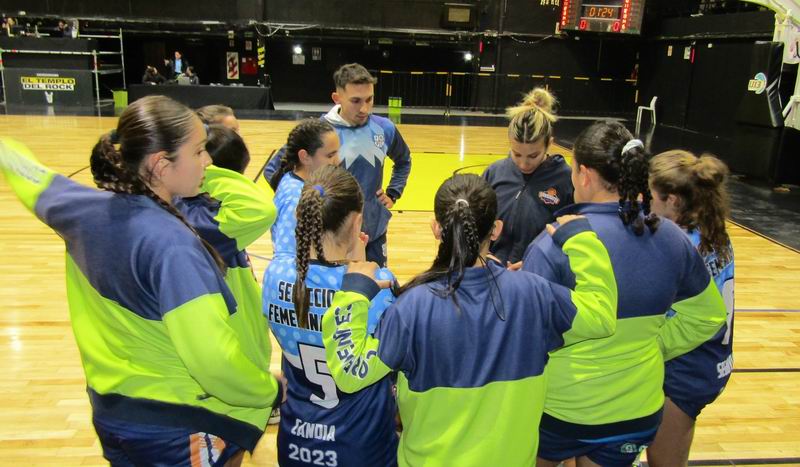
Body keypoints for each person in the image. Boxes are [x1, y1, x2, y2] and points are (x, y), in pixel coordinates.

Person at [0, 96, 283, 466]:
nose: (208, 161)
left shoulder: (75, 206)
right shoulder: (174, 245)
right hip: (177, 425)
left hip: (110, 414)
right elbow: (213, 361)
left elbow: (23, 169)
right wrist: (268, 390)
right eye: (199, 151)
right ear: (161, 163)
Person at [321, 173, 619, 466]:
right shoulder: (534, 294)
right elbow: (600, 316)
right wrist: (582, 242)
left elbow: (350, 373)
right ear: (496, 229)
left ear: (437, 228)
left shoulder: (411, 307)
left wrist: (353, 294)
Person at [522, 121, 728, 467]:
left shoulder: (557, 242)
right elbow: (709, 316)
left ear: (584, 174)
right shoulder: (672, 238)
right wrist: (653, 345)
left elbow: (528, 336)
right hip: (636, 411)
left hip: (562, 409)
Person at [263, 165, 399, 466]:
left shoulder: (274, 276)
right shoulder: (377, 286)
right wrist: (361, 262)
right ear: (357, 221)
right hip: (361, 444)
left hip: (296, 440)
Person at [263, 63, 412, 267]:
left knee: (375, 283)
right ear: (337, 98)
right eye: (356, 101)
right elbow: (274, 169)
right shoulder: (320, 131)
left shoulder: (385, 128)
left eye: (369, 99)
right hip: (332, 237)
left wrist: (393, 193)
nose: (364, 108)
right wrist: (307, 200)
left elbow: (403, 160)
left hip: (374, 233)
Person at [646, 151, 735, 467]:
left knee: (664, 459)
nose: (644, 202)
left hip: (687, 364)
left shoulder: (679, 245)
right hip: (712, 358)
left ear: (671, 200)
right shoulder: (711, 229)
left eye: (650, 195)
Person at [482, 87, 573, 269]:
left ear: (549, 143)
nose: (524, 164)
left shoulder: (566, 179)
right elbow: (477, 223)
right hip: (493, 272)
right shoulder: (494, 173)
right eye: (516, 154)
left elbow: (572, 238)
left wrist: (534, 263)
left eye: (533, 156)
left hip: (539, 274)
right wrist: (483, 254)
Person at [268, 119, 340, 259]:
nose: (338, 160)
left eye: (337, 153)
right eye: (330, 155)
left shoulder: (302, 182)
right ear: (305, 157)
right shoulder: (296, 198)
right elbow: (288, 254)